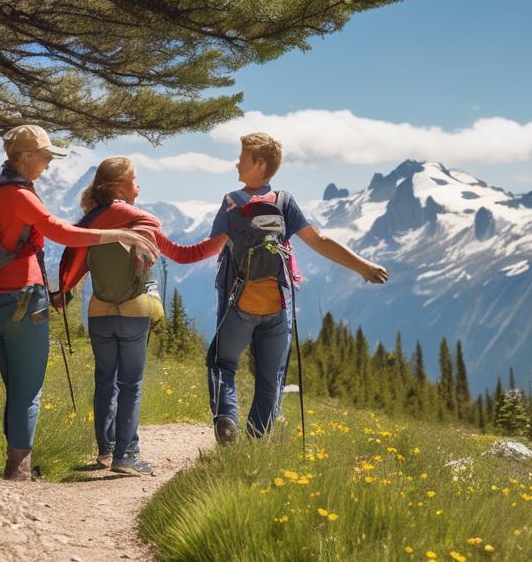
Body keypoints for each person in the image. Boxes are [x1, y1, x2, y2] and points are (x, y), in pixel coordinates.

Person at [157, 132, 389, 443]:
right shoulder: (284, 202)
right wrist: (364, 266)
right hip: (277, 306)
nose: (237, 163)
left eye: (242, 158)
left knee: (221, 362)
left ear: (260, 164)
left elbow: (200, 252)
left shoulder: (231, 205)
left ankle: (227, 418)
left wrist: (157, 239)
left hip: (240, 304)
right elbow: (319, 242)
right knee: (271, 379)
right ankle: (255, 443)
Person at [0, 125, 156, 481]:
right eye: (44, 156)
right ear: (24, 156)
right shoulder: (17, 194)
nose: (48, 164)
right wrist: (118, 233)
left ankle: (17, 462)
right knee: (28, 389)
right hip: (21, 297)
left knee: (16, 384)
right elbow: (60, 231)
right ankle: (18, 470)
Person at [56, 156, 166, 475]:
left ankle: (105, 451)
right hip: (133, 311)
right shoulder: (138, 225)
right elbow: (145, 271)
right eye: (134, 180)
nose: (138, 186)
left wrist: (64, 290)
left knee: (105, 380)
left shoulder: (90, 223)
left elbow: (75, 266)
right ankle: (126, 455)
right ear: (119, 186)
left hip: (99, 314)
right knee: (130, 383)